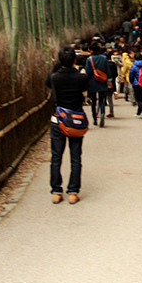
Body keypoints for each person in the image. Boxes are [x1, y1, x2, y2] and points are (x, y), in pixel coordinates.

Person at [45, 45, 89, 205]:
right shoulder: (81, 77)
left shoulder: (54, 77)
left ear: (59, 60)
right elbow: (85, 88)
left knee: (56, 156)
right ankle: (73, 192)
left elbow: (47, 81)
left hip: (58, 120)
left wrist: (56, 67)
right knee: (76, 157)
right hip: (76, 121)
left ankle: (56, 191)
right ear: (75, 60)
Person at [85, 41, 111, 127]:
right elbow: (107, 69)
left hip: (92, 81)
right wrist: (109, 79)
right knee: (101, 99)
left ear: (91, 50)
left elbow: (87, 72)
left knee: (93, 101)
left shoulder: (89, 59)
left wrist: (86, 81)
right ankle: (102, 112)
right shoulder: (104, 58)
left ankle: (95, 118)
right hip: (102, 80)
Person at [129, 52, 142, 121]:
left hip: (137, 84)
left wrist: (132, 82)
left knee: (138, 99)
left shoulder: (134, 66)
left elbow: (131, 75)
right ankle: (138, 113)